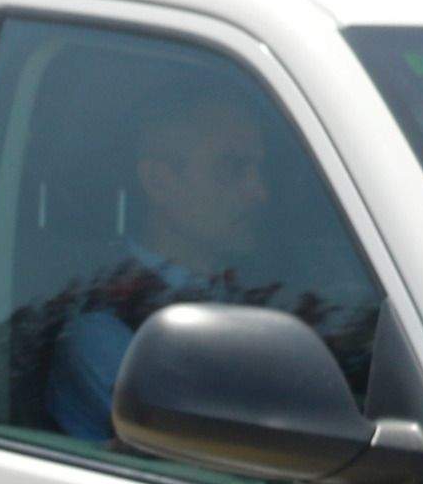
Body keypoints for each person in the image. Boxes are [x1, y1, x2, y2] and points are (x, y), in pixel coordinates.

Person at [46, 85, 279, 443]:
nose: (259, 191)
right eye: (232, 168)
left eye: (259, 170)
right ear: (159, 182)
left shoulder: (257, 295)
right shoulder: (105, 333)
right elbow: (213, 459)